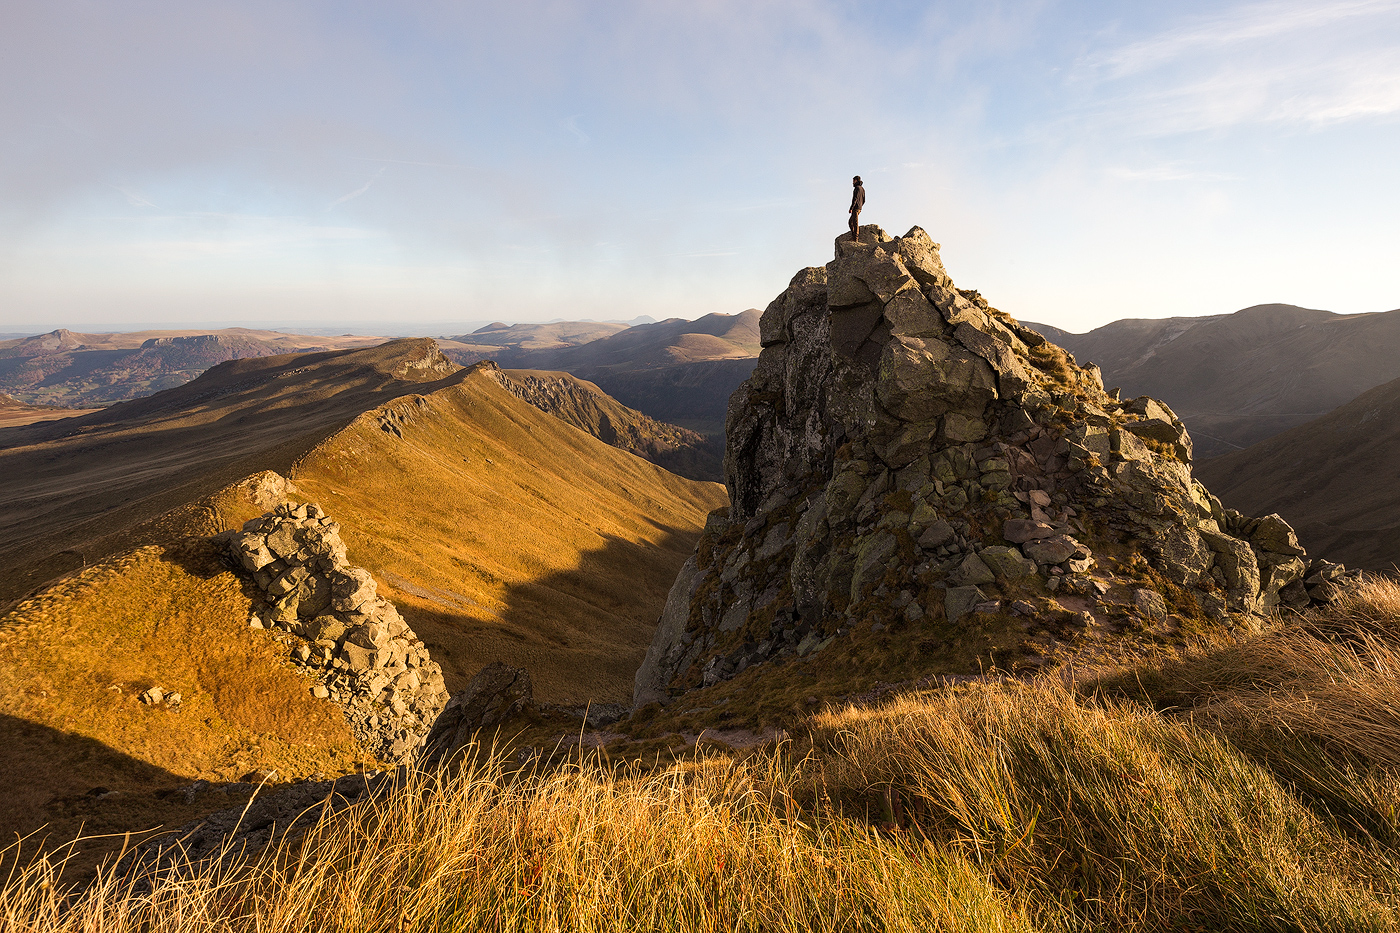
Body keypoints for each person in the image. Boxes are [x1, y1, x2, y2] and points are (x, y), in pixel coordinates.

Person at [848, 175, 865, 241]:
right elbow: (864, 200)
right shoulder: (862, 189)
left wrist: (851, 208)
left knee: (854, 223)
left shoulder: (857, 188)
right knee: (851, 222)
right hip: (859, 208)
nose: (852, 183)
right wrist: (860, 206)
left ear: (856, 180)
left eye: (853, 181)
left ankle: (855, 238)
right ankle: (854, 236)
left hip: (855, 208)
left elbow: (855, 199)